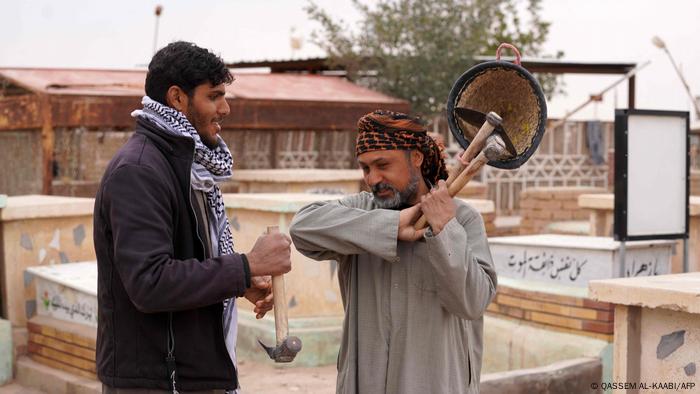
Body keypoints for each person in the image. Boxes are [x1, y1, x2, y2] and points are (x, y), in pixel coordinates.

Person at [93, 41, 292, 393]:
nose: (225, 108)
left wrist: (240, 281)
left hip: (185, 375)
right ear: (177, 98)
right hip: (158, 381)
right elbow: (150, 283)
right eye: (213, 96)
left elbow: (185, 259)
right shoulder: (140, 171)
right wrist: (245, 265)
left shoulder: (189, 166)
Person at [289, 110, 497, 394]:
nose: (373, 179)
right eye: (365, 168)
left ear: (416, 158)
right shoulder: (360, 211)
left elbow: (473, 303)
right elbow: (302, 228)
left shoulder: (462, 219)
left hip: (436, 381)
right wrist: (392, 226)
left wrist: (445, 229)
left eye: (383, 164)